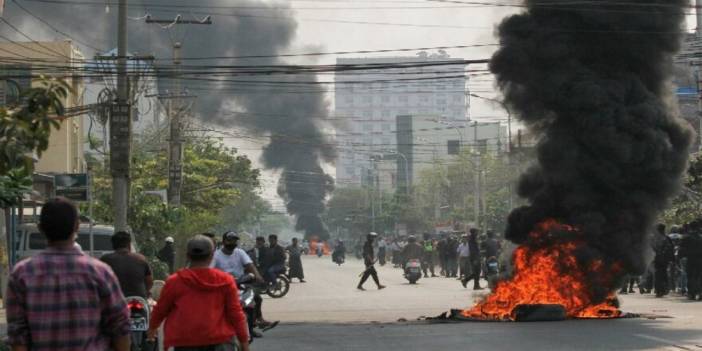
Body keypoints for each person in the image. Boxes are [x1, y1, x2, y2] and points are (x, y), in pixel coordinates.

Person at [6, 197, 130, 351]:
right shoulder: (100, 272)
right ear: (77, 226)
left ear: (40, 228)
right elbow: (120, 327)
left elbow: (18, 338)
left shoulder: (21, 274)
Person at [147, 235, 250, 351]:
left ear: (188, 256)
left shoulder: (175, 281)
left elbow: (160, 310)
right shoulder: (226, 280)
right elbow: (235, 314)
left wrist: (152, 330)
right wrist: (244, 344)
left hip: (185, 343)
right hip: (221, 343)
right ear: (212, 256)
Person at [212, 232, 276, 334]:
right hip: (223, 285)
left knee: (255, 298)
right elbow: (210, 270)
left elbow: (250, 265)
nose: (232, 242)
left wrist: (258, 277)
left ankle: (252, 326)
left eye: (234, 240)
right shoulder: (216, 255)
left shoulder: (240, 252)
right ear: (224, 241)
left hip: (241, 283)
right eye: (230, 240)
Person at [101, 231, 154, 298]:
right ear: (129, 245)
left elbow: (100, 282)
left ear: (113, 245)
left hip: (115, 300)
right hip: (139, 299)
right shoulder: (141, 259)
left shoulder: (105, 260)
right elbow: (149, 282)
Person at [680, 224, 702, 301]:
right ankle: (700, 292)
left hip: (690, 259)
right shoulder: (700, 236)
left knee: (690, 276)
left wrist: (680, 257)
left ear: (690, 228)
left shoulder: (687, 237)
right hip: (700, 259)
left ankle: (691, 293)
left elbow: (681, 248)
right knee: (699, 276)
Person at [653, 223, 675, 297]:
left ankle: (659, 290)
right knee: (664, 274)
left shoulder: (655, 238)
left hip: (657, 259)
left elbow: (652, 247)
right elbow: (671, 249)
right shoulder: (667, 238)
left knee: (658, 274)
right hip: (664, 260)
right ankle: (663, 290)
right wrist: (672, 259)